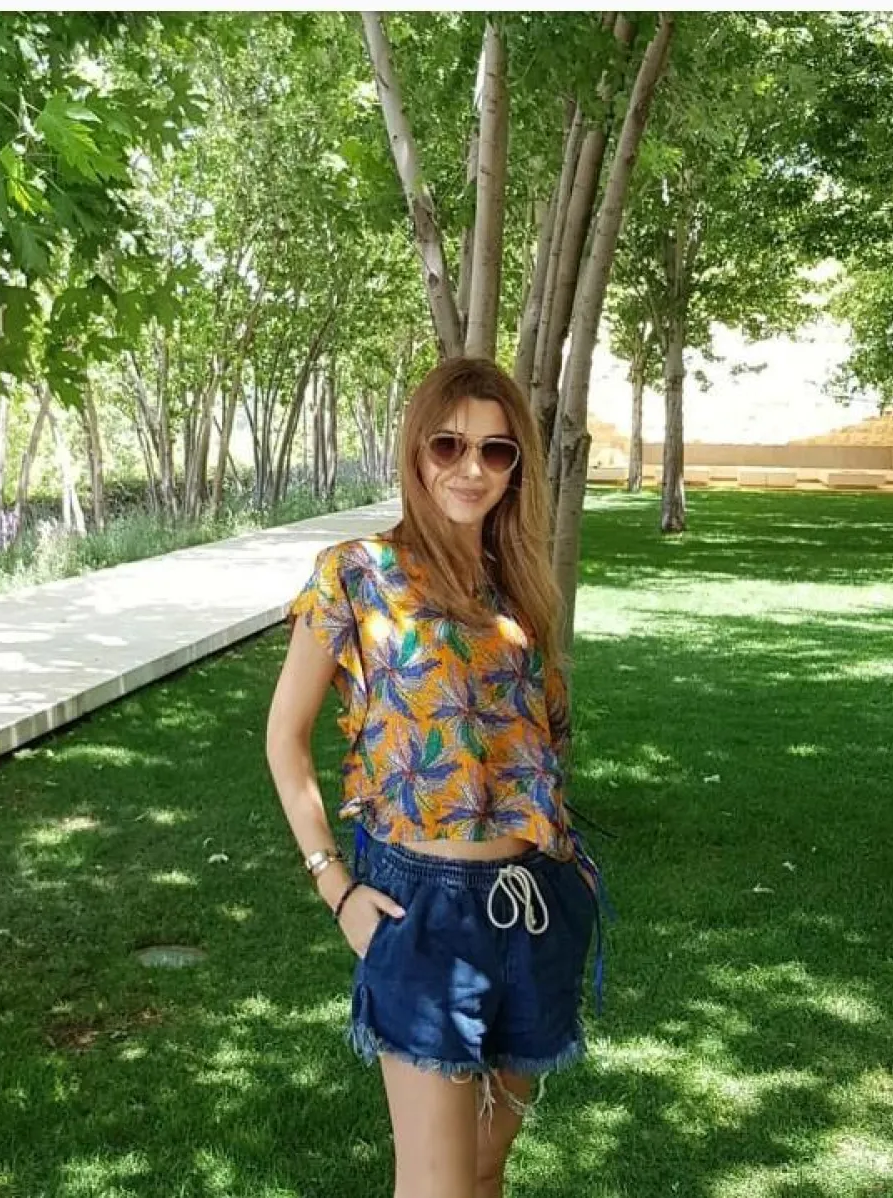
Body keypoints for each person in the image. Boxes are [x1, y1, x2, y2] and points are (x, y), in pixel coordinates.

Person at [265, 355, 606, 1198]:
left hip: (534, 904)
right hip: (425, 910)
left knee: (486, 1171)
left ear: (517, 466)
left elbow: (540, 738)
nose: (471, 468)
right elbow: (284, 739)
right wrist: (334, 884)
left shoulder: (519, 590)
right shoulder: (357, 573)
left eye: (496, 450)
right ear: (416, 451)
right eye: (449, 444)